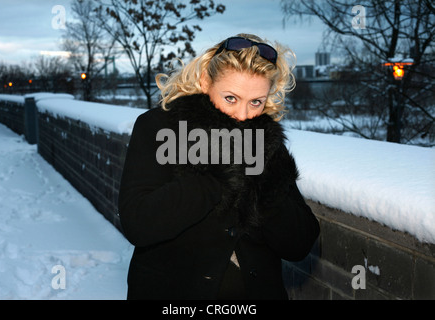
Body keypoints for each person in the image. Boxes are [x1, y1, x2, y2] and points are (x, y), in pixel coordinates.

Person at [118, 33, 320, 300]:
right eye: (231, 98)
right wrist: (217, 172)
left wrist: (264, 178)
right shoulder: (159, 128)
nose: (243, 115)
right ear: (205, 81)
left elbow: (298, 244)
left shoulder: (264, 141)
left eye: (255, 102)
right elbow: (138, 223)